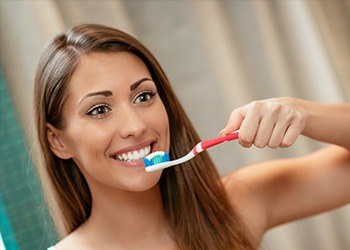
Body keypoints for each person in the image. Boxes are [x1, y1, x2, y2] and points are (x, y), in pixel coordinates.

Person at [33, 24, 350, 250]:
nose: (135, 126)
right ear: (57, 141)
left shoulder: (236, 206)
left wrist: (304, 113)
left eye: (143, 97)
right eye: (99, 110)